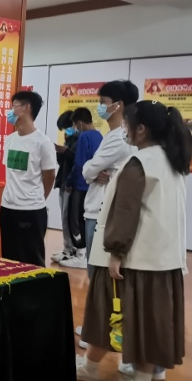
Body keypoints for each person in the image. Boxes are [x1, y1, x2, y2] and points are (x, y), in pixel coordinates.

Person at [75, 101, 191, 381]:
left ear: (141, 129)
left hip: (133, 258)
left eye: (127, 123)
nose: (124, 128)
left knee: (106, 313)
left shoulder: (139, 162)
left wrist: (116, 251)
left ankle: (90, 368)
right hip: (163, 258)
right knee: (150, 319)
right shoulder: (172, 161)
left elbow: (125, 210)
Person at [82, 80, 139, 276]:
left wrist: (90, 171)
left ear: (118, 105)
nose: (100, 106)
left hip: (101, 212)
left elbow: (88, 170)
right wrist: (93, 171)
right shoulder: (114, 135)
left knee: (97, 274)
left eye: (103, 101)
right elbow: (93, 170)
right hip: (98, 209)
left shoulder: (119, 138)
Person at [0, 90, 57, 266]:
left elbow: (50, 175)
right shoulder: (9, 139)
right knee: (9, 257)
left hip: (31, 209)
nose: (10, 111)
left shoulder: (42, 142)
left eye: (14, 106)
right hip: (7, 207)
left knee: (31, 260)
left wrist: (38, 197)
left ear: (26, 108)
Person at [60, 108, 103, 270]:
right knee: (85, 220)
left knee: (76, 220)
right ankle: (84, 254)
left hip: (80, 184)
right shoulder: (99, 136)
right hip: (91, 186)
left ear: (79, 123)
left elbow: (79, 163)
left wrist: (70, 181)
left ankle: (80, 255)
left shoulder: (84, 136)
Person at [50, 111, 78, 265]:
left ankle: (72, 250)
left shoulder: (81, 139)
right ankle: (67, 248)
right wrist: (60, 152)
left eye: (66, 127)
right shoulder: (69, 139)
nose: (66, 131)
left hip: (71, 184)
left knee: (69, 218)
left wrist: (66, 151)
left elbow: (78, 160)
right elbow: (63, 161)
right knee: (64, 217)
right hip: (63, 181)